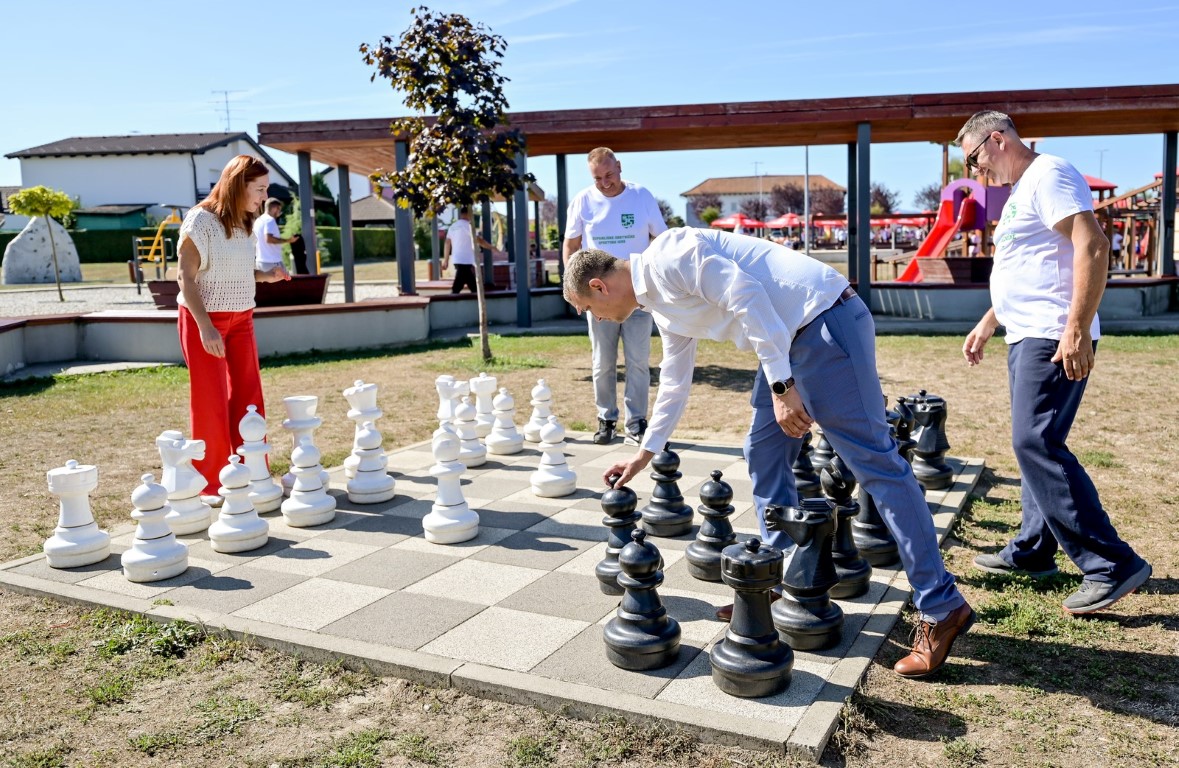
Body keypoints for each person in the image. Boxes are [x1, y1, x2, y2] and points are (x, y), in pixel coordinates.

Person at [564, 228, 974, 679]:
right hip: (785, 339)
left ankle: (941, 606)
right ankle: (777, 580)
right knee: (762, 451)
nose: (597, 320)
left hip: (823, 323)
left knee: (879, 468)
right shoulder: (661, 305)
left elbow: (747, 293)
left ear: (600, 287)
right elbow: (676, 383)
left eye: (589, 310)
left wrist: (782, 386)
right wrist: (644, 454)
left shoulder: (669, 256)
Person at [958, 111, 1152, 614]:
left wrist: (1076, 329)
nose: (978, 173)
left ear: (997, 140)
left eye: (975, 159)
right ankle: (1033, 550)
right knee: (1033, 446)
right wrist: (988, 321)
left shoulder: (1050, 174)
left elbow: (1092, 245)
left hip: (1052, 334)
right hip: (1028, 334)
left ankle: (1110, 563)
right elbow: (1030, 266)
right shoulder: (1025, 188)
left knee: (1034, 441)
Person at [177, 155, 289, 503]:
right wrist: (206, 327)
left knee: (249, 396)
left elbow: (236, 268)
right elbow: (185, 278)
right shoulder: (199, 220)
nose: (263, 196)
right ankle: (211, 483)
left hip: (242, 319)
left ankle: (254, 472)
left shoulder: (244, 222)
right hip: (204, 321)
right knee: (210, 401)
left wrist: (265, 275)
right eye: (259, 189)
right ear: (238, 185)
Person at [563, 147, 667, 446]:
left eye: (609, 175)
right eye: (598, 178)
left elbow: (661, 239)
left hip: (638, 294)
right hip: (599, 299)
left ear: (619, 167)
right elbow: (571, 246)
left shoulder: (641, 196)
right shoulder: (583, 200)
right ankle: (606, 418)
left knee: (638, 361)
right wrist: (573, 289)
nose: (605, 183)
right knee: (602, 362)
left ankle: (636, 423)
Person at [442, 206, 499, 293]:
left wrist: (446, 260)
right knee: (460, 284)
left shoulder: (452, 227)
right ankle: (454, 297)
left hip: (457, 259)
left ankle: (474, 294)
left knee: (469, 282)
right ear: (468, 214)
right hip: (466, 259)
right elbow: (479, 241)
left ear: (461, 214)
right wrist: (492, 247)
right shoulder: (469, 227)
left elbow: (447, 243)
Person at [252, 197, 294, 277]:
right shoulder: (270, 220)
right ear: (275, 208)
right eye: (279, 209)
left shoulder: (258, 220)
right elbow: (269, 239)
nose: (279, 212)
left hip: (260, 261)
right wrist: (288, 240)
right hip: (272, 262)